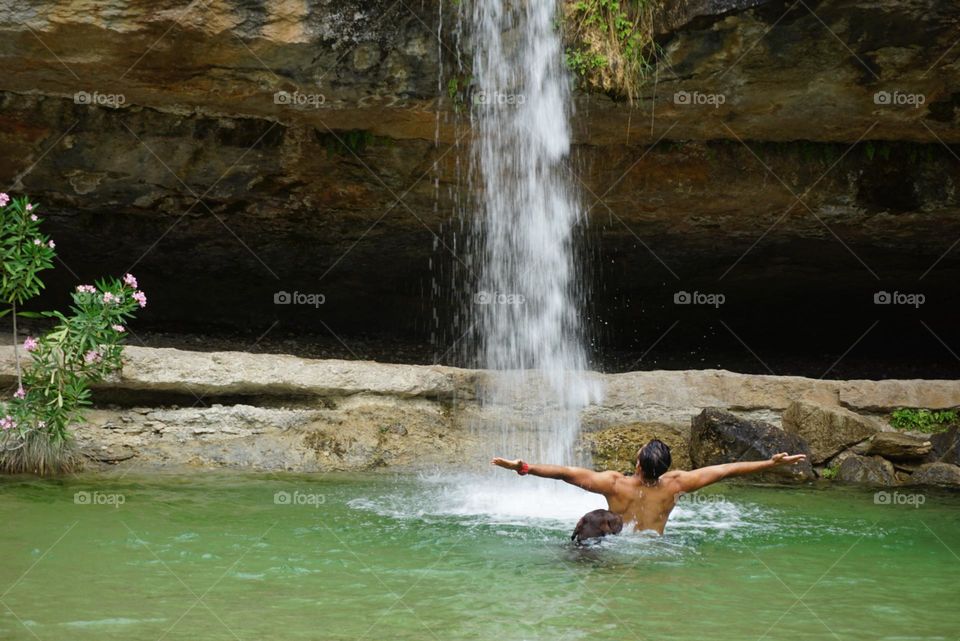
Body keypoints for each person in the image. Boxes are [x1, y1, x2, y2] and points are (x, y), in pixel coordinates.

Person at [492, 439, 807, 535]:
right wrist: (770, 463)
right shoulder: (676, 485)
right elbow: (725, 470)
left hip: (614, 548)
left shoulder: (614, 485)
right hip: (655, 551)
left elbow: (565, 473)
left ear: (638, 464)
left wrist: (525, 468)